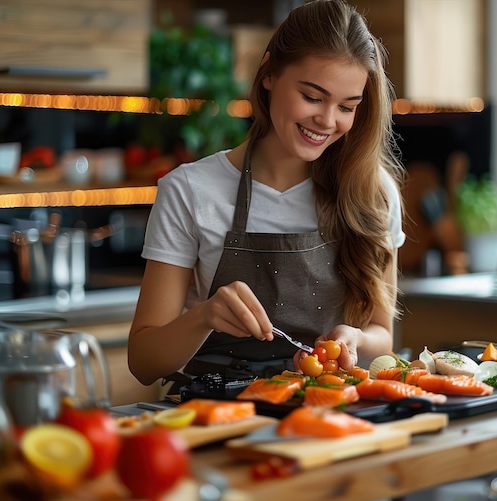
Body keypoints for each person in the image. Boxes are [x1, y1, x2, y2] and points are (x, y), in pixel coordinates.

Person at [128, 0, 406, 390]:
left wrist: (355, 339)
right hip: (217, 415)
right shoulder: (190, 191)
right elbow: (142, 362)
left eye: (347, 106)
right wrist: (203, 317)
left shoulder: (373, 193)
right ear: (269, 74)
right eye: (312, 97)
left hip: (328, 414)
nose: (327, 121)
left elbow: (382, 334)